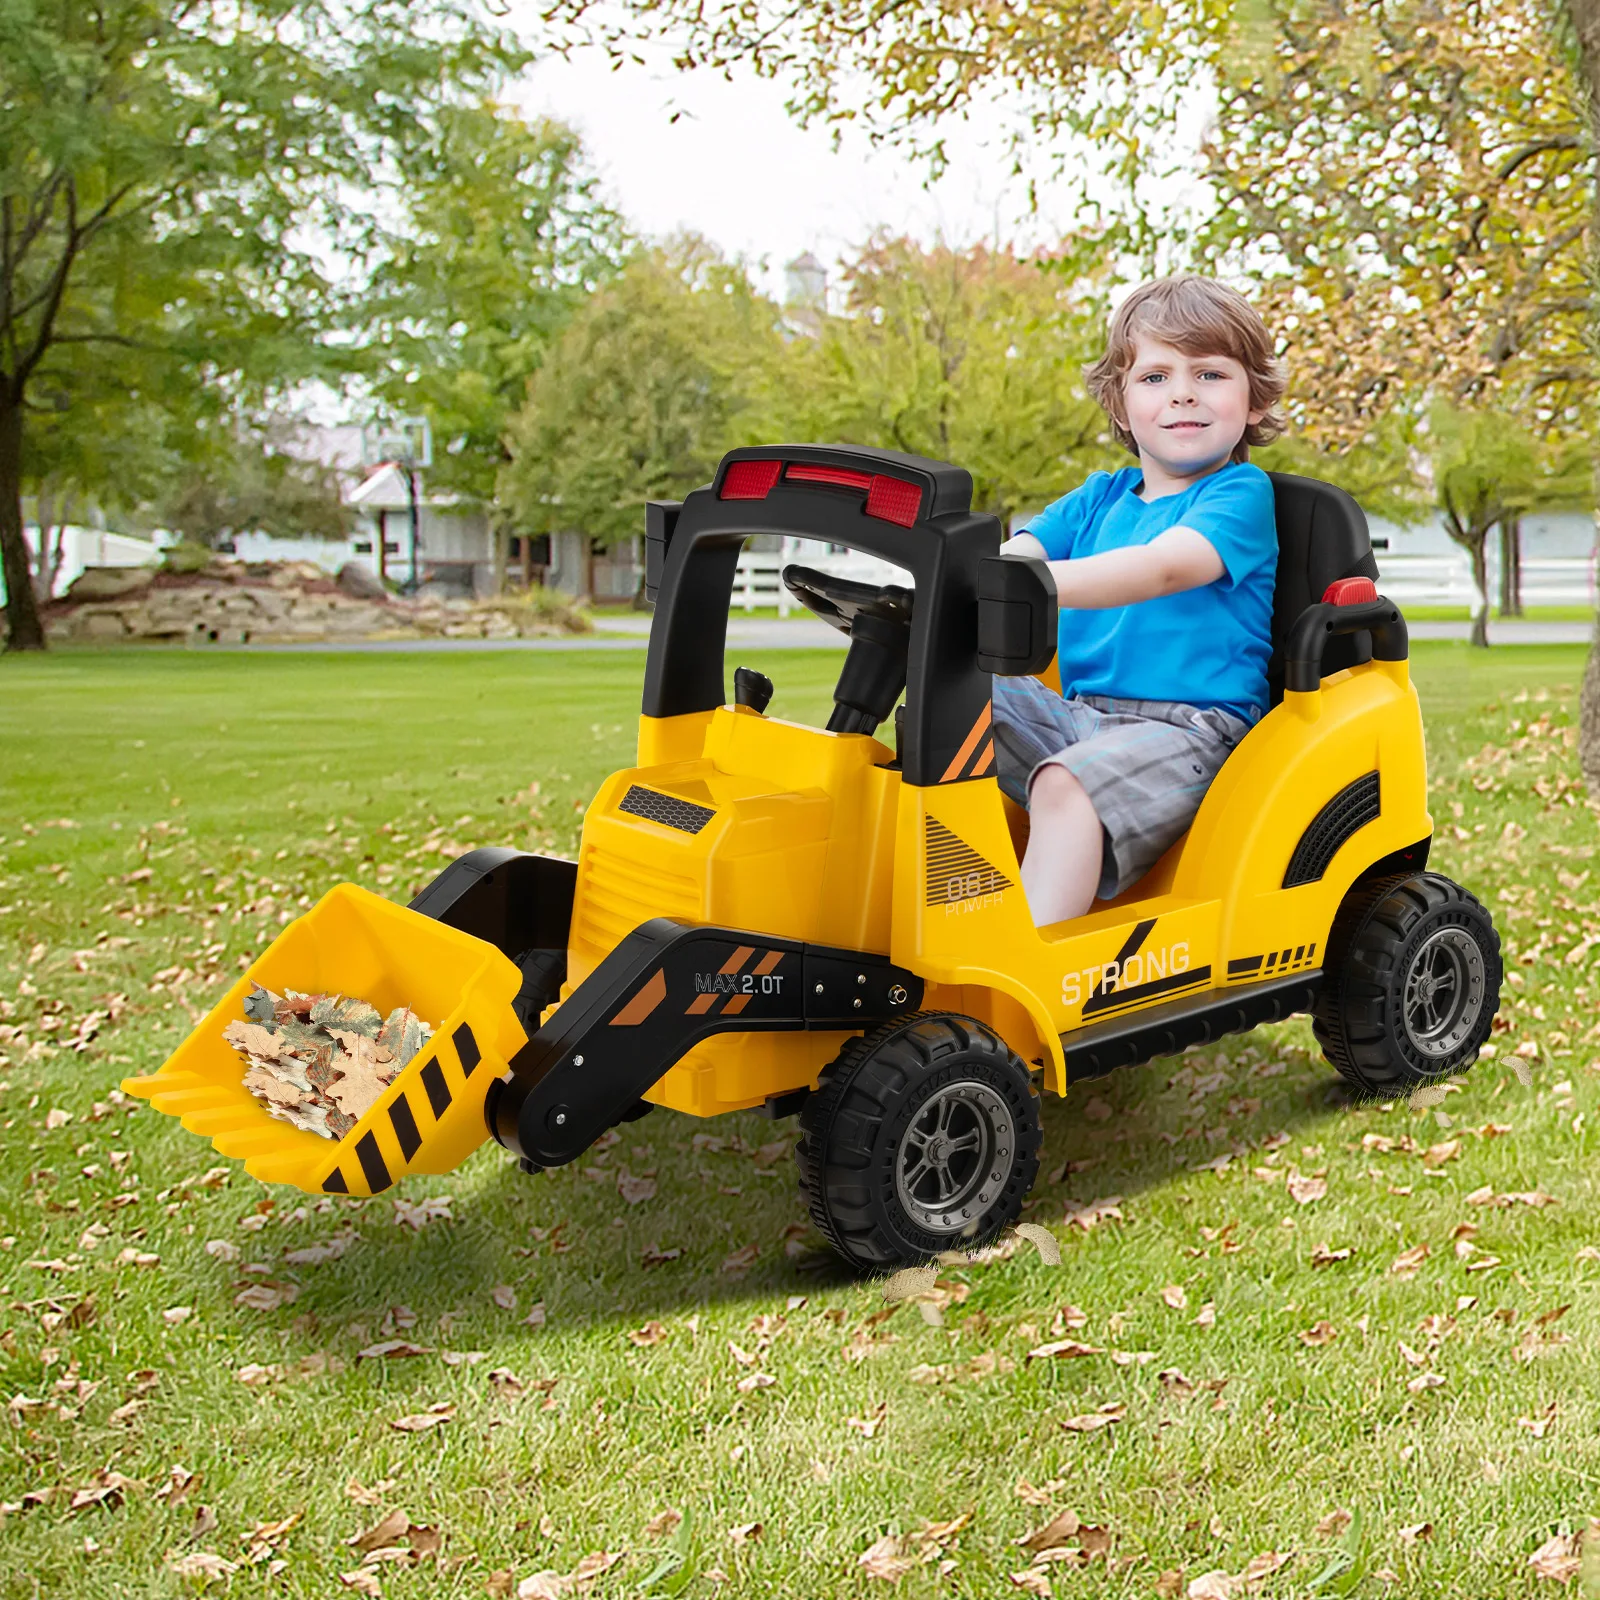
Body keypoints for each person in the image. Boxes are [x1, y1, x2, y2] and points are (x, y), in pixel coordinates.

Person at [993, 275, 1286, 929]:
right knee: (947, 700)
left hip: (1190, 732)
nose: (1182, 391)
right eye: (1155, 377)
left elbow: (1162, 569)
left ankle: (1029, 981)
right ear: (1122, 407)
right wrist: (954, 588)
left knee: (1067, 782)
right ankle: (933, 905)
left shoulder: (1239, 494)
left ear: (1256, 401)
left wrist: (1032, 587)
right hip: (1079, 716)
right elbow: (1021, 556)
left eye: (1209, 374)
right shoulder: (1100, 496)